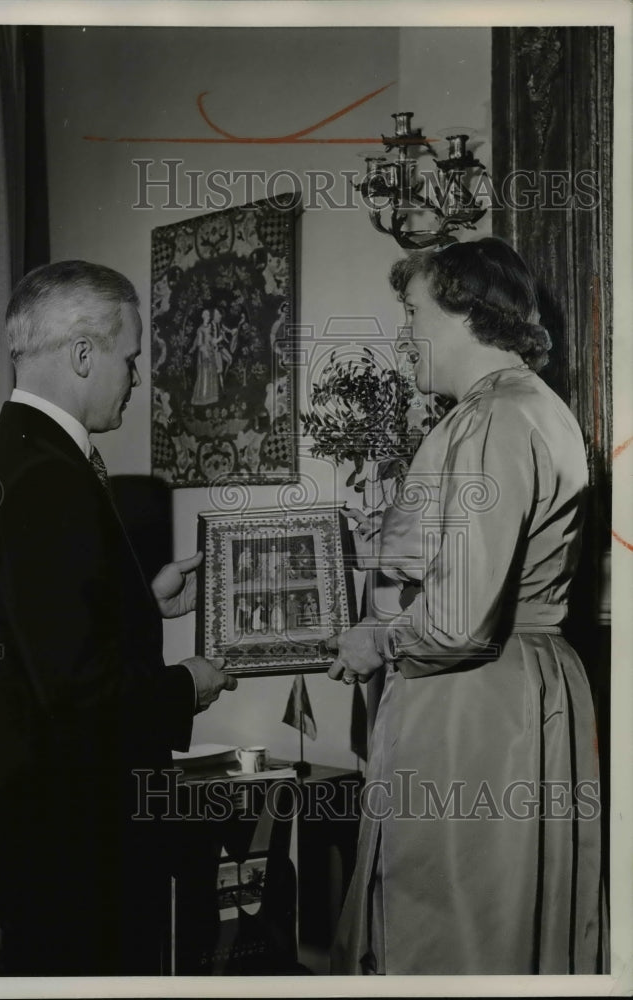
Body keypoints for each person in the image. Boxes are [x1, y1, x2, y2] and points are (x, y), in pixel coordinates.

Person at [328, 238, 607, 975]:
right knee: (508, 923)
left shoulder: (488, 421)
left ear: (464, 313)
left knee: (448, 932)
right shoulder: (531, 410)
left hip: (473, 705)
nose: (405, 332)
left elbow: (456, 620)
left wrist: (379, 642)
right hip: (524, 690)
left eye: (413, 311)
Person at [0, 260, 237, 975]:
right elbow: (78, 698)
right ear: (84, 354)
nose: (136, 376)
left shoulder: (17, 455)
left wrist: (144, 599)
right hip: (71, 839)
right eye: (131, 356)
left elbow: (43, 629)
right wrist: (188, 684)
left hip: (41, 827)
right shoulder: (50, 477)